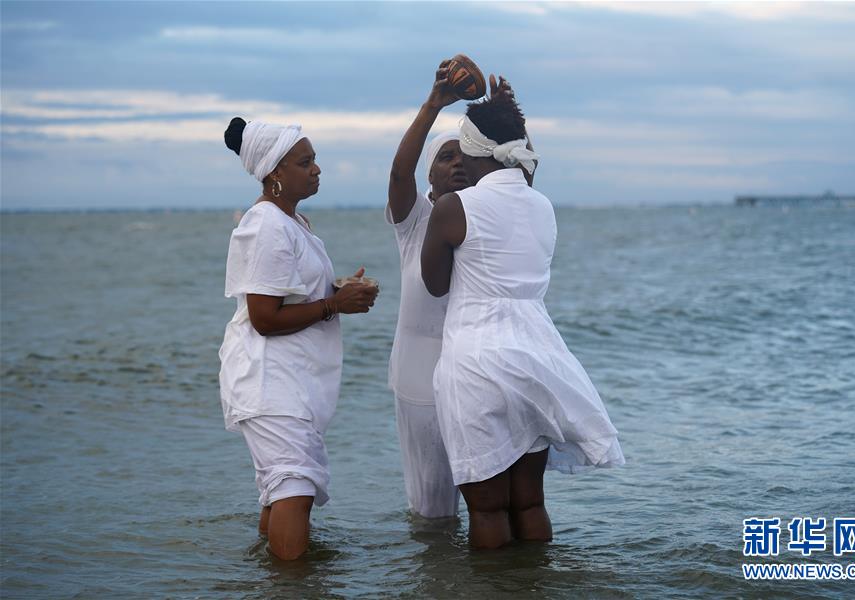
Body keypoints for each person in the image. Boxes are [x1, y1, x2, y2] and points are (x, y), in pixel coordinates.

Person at [421, 78, 625, 549]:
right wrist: (511, 112)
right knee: (529, 503)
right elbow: (520, 173)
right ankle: (537, 584)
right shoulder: (542, 205)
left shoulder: (455, 208)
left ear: (472, 153)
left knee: (488, 509)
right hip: (536, 357)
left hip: (476, 363)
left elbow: (435, 285)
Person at [219, 118, 379, 560]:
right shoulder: (267, 224)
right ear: (274, 173)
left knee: (282, 488)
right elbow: (264, 317)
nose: (317, 170)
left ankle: (273, 581)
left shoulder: (291, 221)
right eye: (305, 162)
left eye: (315, 160)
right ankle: (292, 584)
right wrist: (333, 305)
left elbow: (288, 294)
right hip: (271, 381)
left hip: (288, 381)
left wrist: (339, 291)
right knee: (294, 485)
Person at [384, 59, 469, 519]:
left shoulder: (482, 216)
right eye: (445, 157)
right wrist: (434, 104)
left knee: (488, 498)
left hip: (473, 370)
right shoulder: (414, 219)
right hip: (418, 374)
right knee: (432, 508)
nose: (456, 164)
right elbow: (400, 174)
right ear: (431, 173)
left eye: (463, 156)